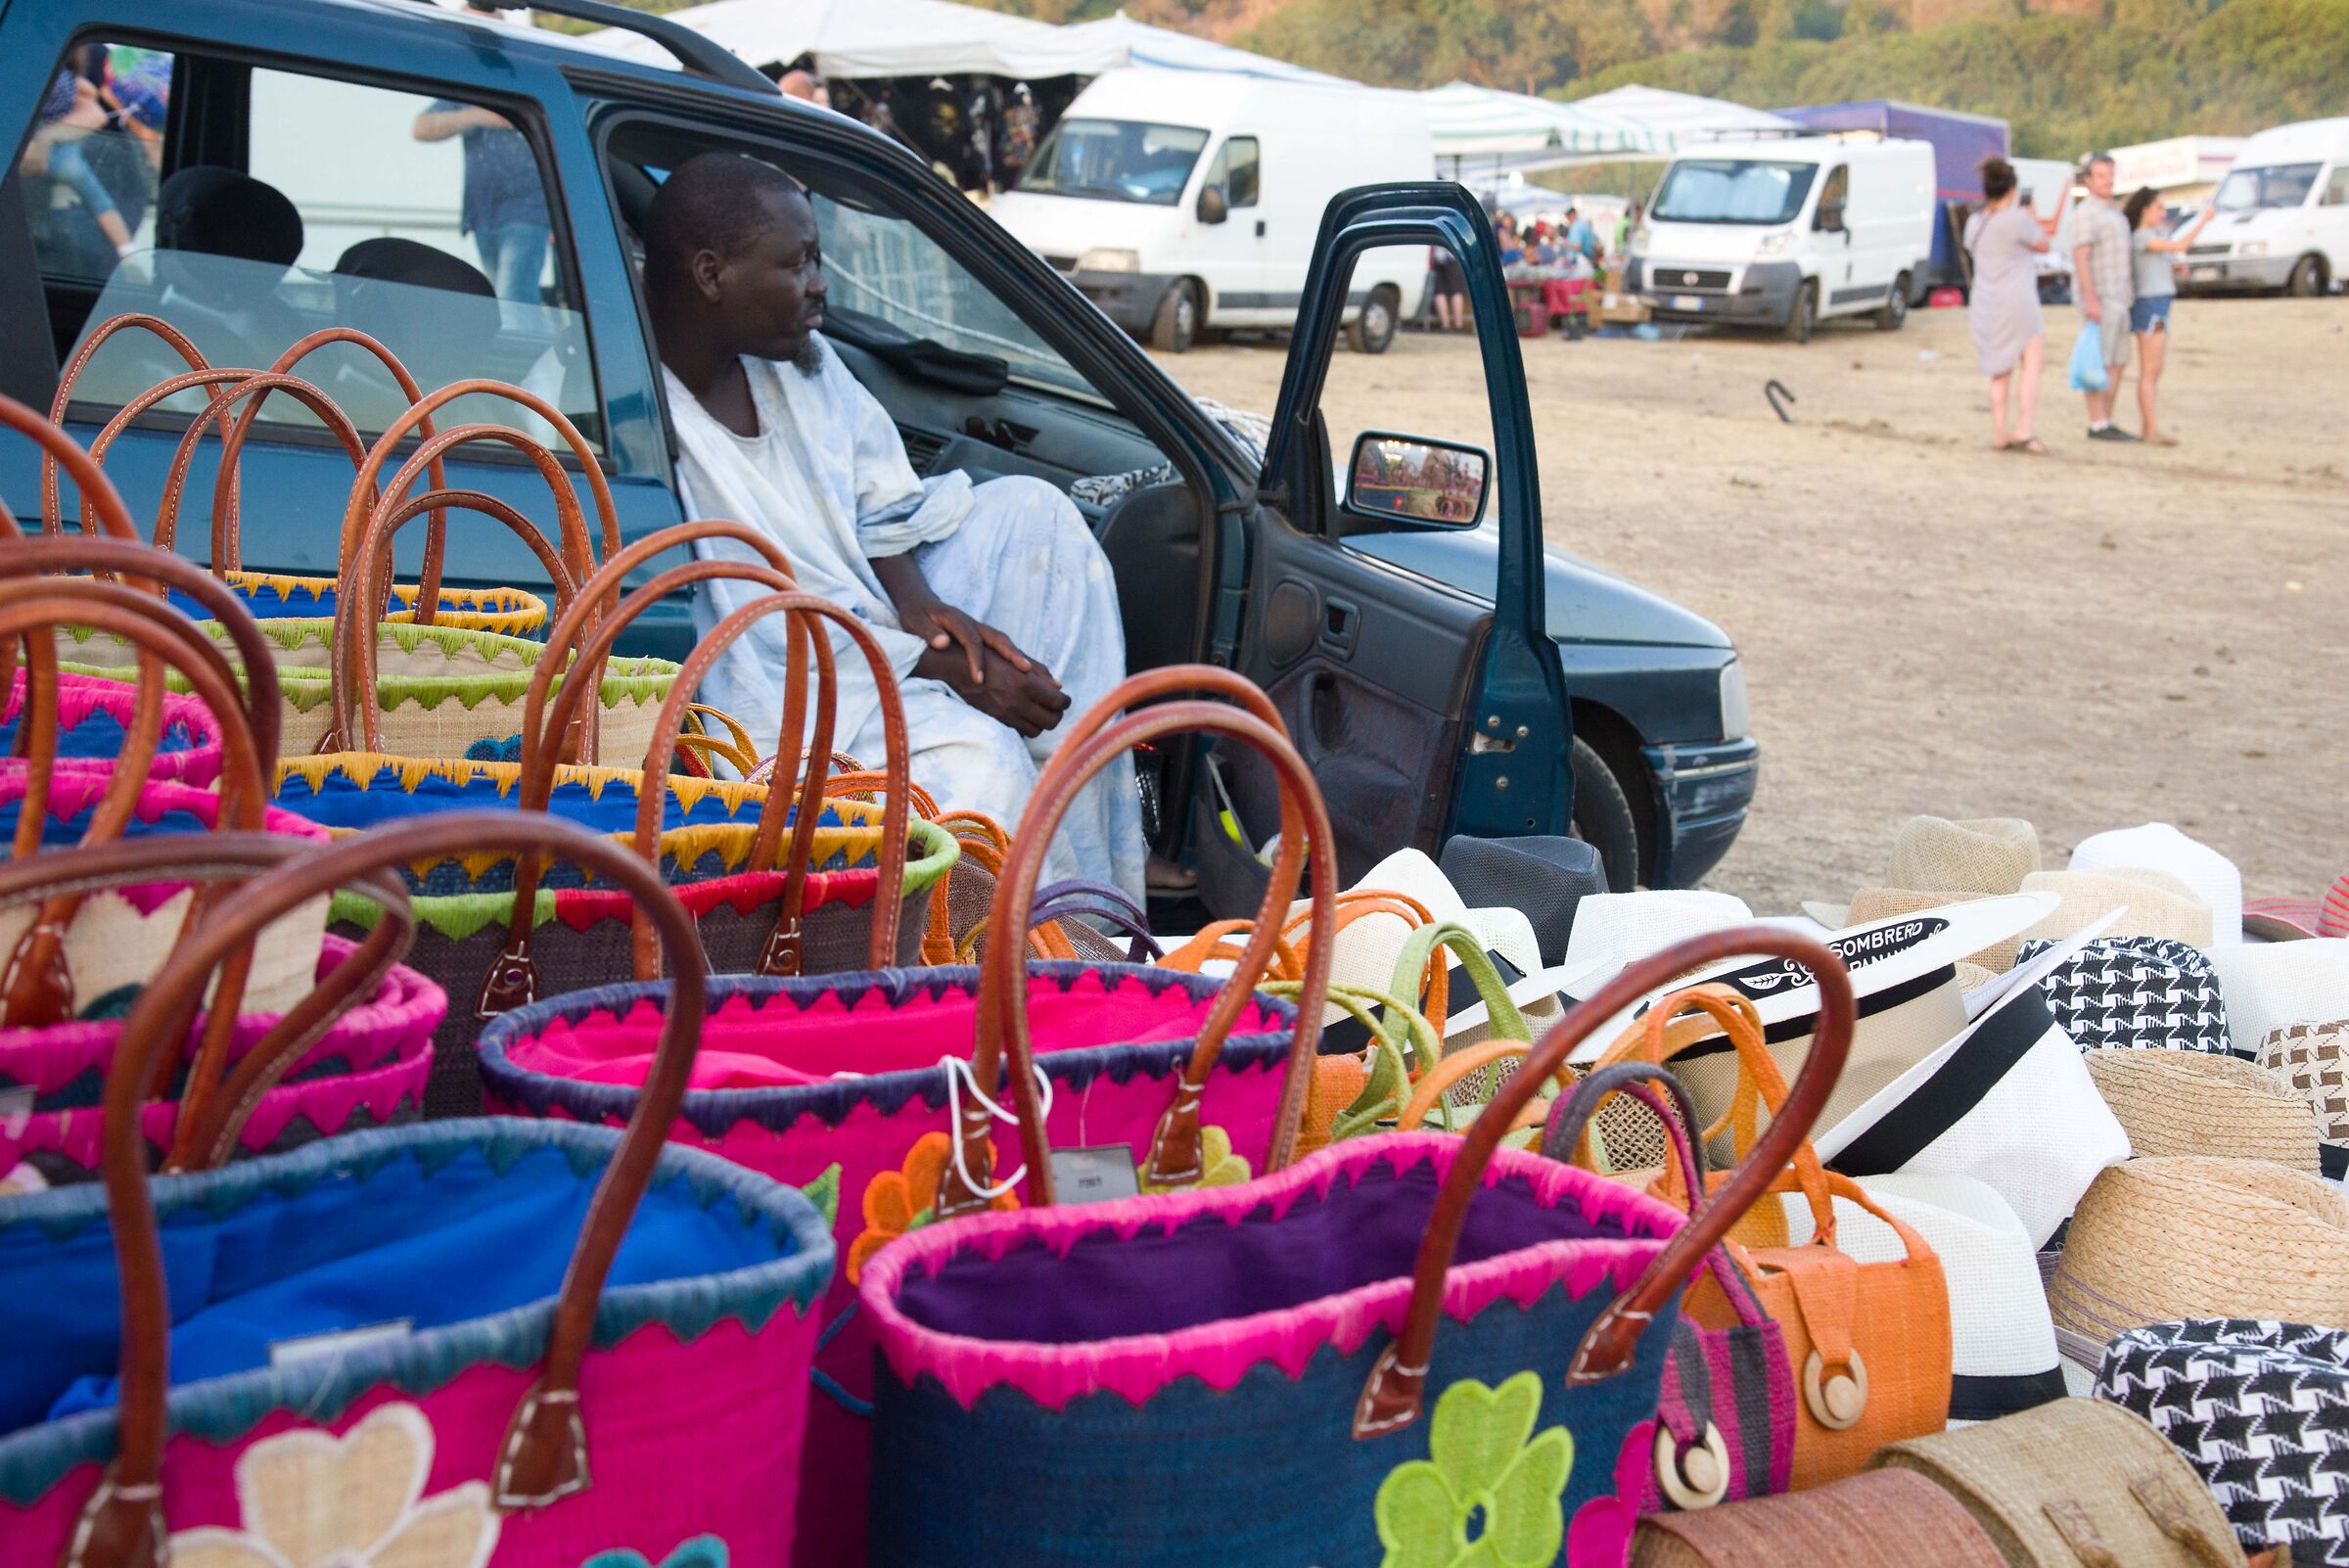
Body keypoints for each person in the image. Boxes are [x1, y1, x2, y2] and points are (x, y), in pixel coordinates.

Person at [641, 152, 1147, 899]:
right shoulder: (624, 404)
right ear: (713, 275)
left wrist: (921, 610)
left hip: (865, 619)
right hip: (779, 679)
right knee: (979, 763)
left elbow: (879, 500)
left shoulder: (799, 363)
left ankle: (1086, 866)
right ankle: (1037, 934)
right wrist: (941, 663)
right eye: (799, 264)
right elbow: (756, 631)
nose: (820, 286)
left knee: (1039, 519)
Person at [413, 6, 552, 311]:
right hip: (483, 213)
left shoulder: (526, 74)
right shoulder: (468, 83)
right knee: (503, 306)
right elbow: (422, 128)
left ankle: (522, 358)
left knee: (514, 304)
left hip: (529, 210)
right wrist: (478, 116)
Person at [1962, 157, 2051, 453]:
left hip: (1985, 301)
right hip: (2018, 299)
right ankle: (2024, 428)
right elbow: (2043, 244)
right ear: (2012, 189)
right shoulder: (2017, 220)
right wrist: (2031, 217)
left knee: (1998, 369)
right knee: (2031, 361)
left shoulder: (1975, 223)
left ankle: (2000, 431)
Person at [2123, 186, 2215, 446]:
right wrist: (2202, 221)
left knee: (2154, 369)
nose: (2163, 213)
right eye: (2158, 208)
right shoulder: (2142, 237)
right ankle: (2149, 428)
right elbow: (2181, 244)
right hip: (2150, 305)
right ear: (2145, 210)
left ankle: (2149, 426)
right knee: (2150, 371)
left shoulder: (2151, 236)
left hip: (2158, 303)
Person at [2070, 154, 2137, 441]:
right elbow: (2081, 257)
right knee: (2101, 360)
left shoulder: (2114, 212)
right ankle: (2097, 422)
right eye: (2101, 176)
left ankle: (2107, 418)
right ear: (2088, 180)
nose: (2107, 180)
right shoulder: (2086, 213)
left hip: (2121, 294)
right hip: (2101, 295)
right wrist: (2091, 298)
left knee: (2118, 360)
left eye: (2110, 174)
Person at [1429, 245, 1468, 331]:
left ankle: (1445, 325)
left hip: (1437, 257)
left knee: (1439, 292)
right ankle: (1458, 325)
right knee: (1456, 291)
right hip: (1452, 256)